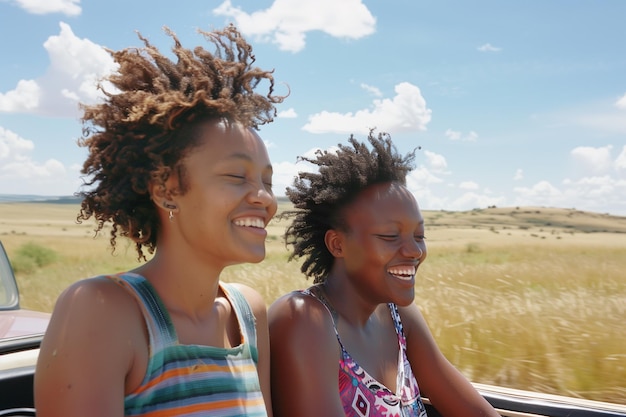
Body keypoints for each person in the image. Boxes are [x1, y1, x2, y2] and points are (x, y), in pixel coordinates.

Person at [35, 25, 285, 417]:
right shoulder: (104, 310)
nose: (264, 198)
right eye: (237, 176)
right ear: (166, 190)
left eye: (266, 181)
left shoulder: (248, 314)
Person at [268, 131, 500, 417]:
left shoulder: (400, 317)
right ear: (337, 244)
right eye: (391, 235)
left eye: (419, 235)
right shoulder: (304, 319)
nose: (415, 251)